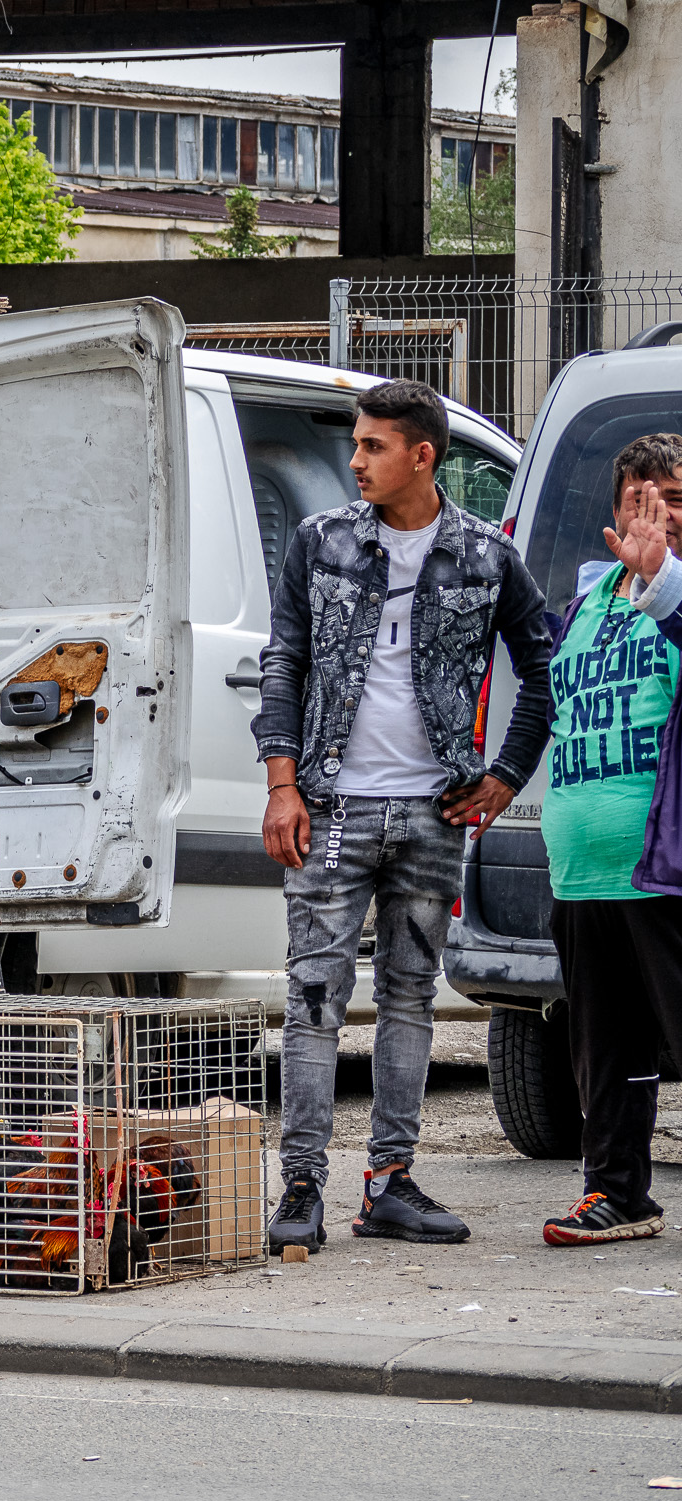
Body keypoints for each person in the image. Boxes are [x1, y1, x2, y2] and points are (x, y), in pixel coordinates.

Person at [253, 379, 553, 1254]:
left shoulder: (487, 556)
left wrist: (505, 776)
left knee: (412, 997)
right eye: (357, 443)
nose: (356, 460)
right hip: (330, 806)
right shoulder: (321, 542)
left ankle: (389, 1181)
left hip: (434, 810)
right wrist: (282, 784)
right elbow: (284, 661)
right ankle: (300, 1186)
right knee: (314, 996)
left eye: (372, 446)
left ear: (423, 455)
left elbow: (543, 667)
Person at [539, 434, 682, 1246]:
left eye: (674, 498)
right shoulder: (587, 604)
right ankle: (619, 1194)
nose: (656, 513)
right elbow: (548, 709)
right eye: (640, 498)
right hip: (584, 870)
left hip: (666, 868)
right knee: (607, 1051)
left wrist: (663, 582)